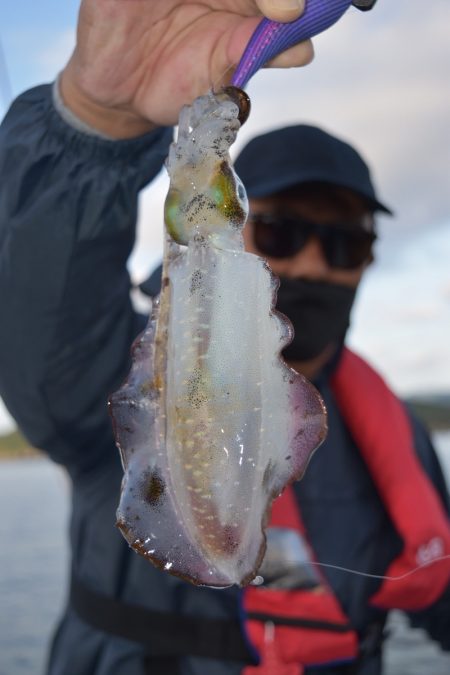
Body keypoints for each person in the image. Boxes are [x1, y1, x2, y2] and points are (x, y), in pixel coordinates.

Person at [1, 0, 449, 674]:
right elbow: (39, 313)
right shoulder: (105, 375)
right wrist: (99, 122)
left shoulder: (397, 434)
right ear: (236, 227)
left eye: (345, 242)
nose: (310, 264)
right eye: (281, 233)